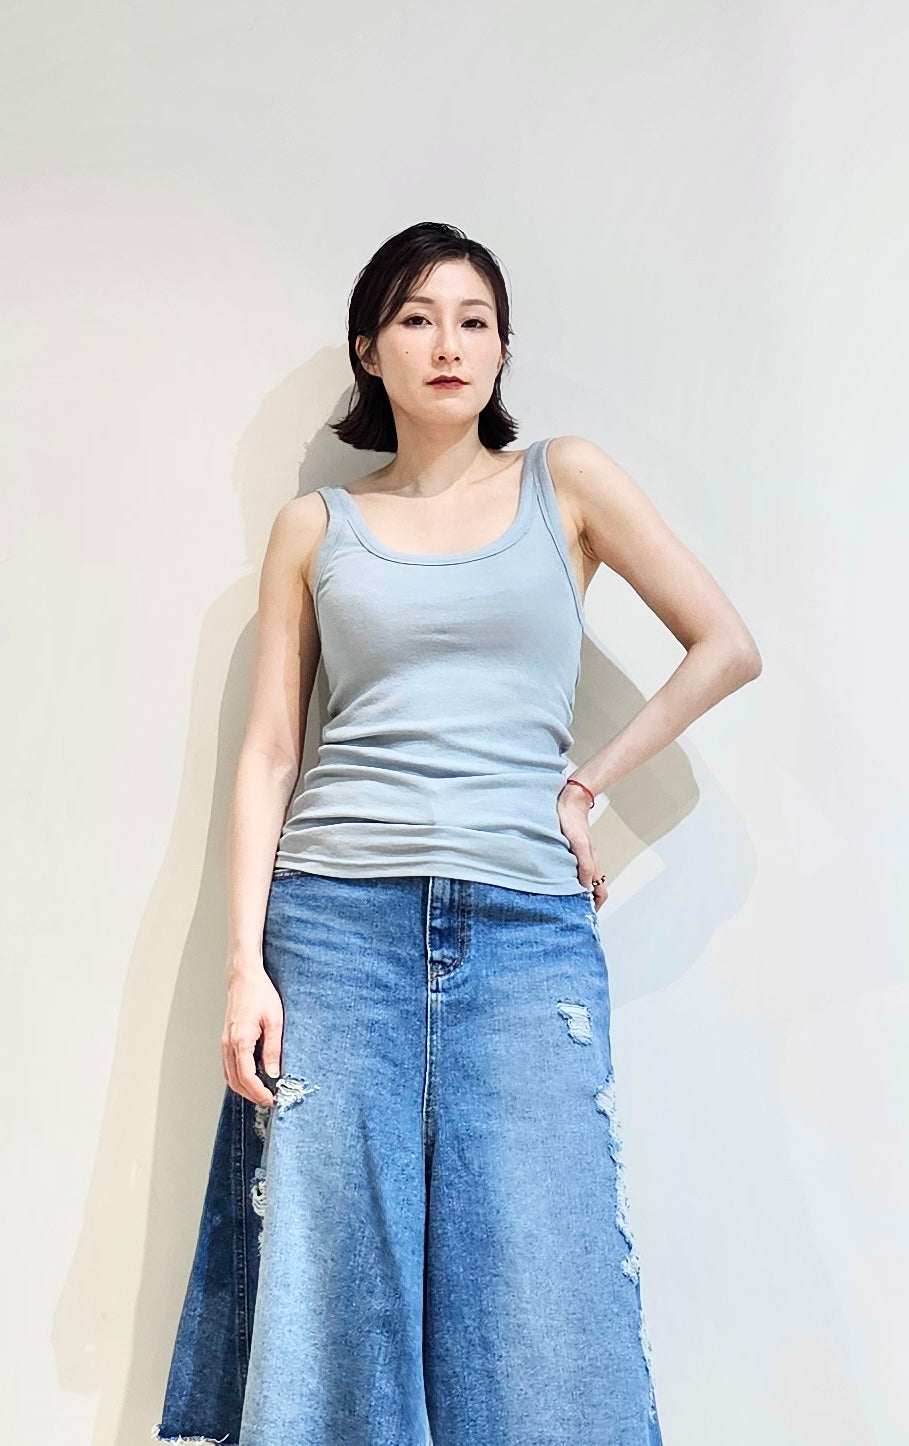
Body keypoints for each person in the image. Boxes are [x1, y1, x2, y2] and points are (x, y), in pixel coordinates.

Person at [153, 220, 762, 1446]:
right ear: (368, 348)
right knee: (334, 1305)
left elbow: (726, 645)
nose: (449, 344)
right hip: (336, 928)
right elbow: (271, 751)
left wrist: (587, 788)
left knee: (545, 1300)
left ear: (501, 348)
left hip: (528, 931)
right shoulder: (316, 527)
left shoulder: (565, 483)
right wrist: (243, 968)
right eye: (418, 319)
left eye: (475, 320)